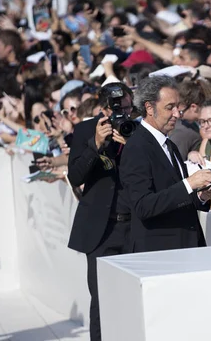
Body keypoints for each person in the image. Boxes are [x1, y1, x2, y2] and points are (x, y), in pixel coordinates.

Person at [67, 83, 136, 341]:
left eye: (128, 108)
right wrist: (95, 143)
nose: (123, 115)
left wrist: (131, 146)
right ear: (103, 109)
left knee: (133, 299)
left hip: (134, 229)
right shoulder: (85, 130)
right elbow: (75, 176)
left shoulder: (138, 131)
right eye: (117, 109)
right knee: (101, 301)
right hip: (101, 231)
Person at [120, 76, 211, 254]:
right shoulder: (137, 147)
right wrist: (189, 184)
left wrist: (201, 196)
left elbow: (175, 195)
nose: (177, 114)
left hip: (185, 247)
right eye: (169, 107)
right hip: (159, 252)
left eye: (178, 107)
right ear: (149, 108)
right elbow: (143, 206)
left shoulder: (168, 144)